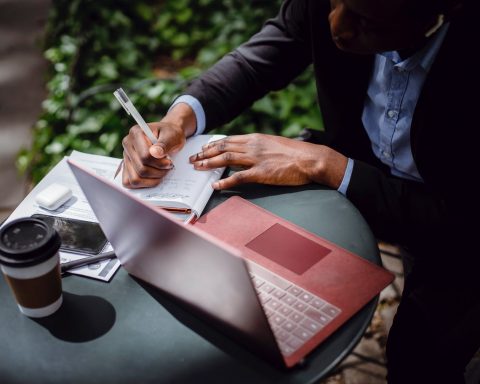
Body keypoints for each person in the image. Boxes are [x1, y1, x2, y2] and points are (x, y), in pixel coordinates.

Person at [120, 1, 479, 382]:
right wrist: (181, 118)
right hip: (361, 166)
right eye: (334, 2)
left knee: (420, 356)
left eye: (365, 21)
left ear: (440, 13)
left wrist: (326, 165)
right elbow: (269, 51)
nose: (336, 27)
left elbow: (462, 223)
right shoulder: (338, 8)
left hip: (457, 224)